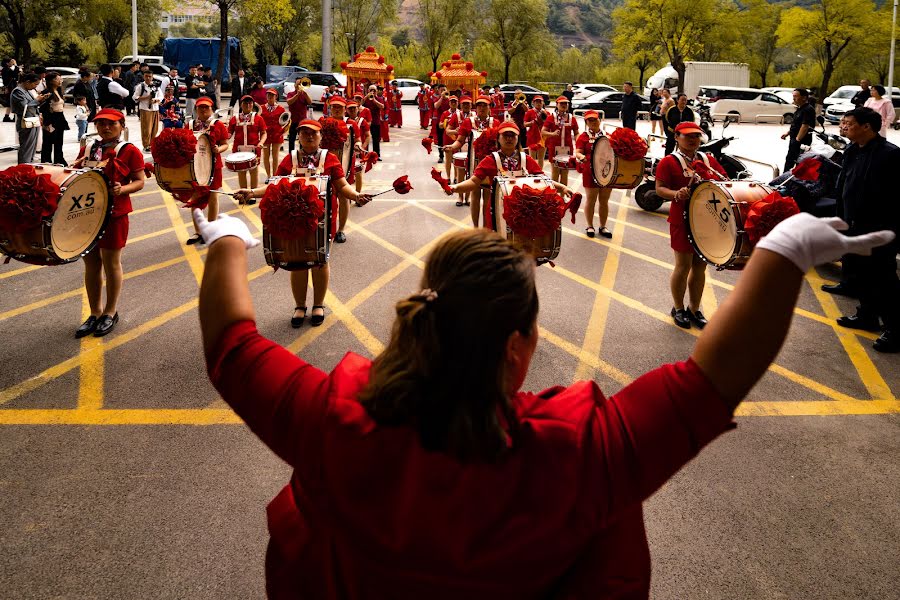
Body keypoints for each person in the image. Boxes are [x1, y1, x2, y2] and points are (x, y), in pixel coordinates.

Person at [194, 176, 894, 597]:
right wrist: (781, 254)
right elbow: (714, 378)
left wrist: (228, 236)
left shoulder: (333, 423)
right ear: (516, 346)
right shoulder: (579, 456)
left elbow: (232, 347)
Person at [232, 119, 372, 327]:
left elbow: (342, 186)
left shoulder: (330, 158)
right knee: (297, 262)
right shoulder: (290, 159)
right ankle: (299, 306)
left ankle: (318, 304)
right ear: (298, 136)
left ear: (320, 136)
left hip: (322, 221)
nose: (309, 136)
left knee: (320, 261)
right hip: (294, 220)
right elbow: (274, 187)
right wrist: (251, 192)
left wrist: (356, 195)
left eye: (313, 133)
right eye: (304, 133)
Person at [71, 109, 146, 338]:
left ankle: (110, 312)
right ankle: (94, 313)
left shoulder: (130, 150)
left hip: (114, 214)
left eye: (111, 124)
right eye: (101, 124)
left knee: (111, 263)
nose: (105, 128)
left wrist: (122, 189)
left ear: (122, 125)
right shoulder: (89, 147)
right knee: (91, 265)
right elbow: (77, 171)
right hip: (87, 214)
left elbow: (140, 181)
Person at [832, 107, 900, 352]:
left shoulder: (890, 155)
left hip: (880, 231)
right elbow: (844, 186)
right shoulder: (852, 150)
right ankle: (867, 316)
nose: (844, 126)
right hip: (853, 225)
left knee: (884, 280)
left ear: (867, 127)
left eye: (849, 123)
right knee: (861, 275)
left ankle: (896, 331)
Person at [655, 121, 728, 329]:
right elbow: (660, 189)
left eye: (696, 136)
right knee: (683, 265)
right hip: (682, 220)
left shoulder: (707, 159)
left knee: (700, 267)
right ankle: (678, 307)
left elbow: (724, 181)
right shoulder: (668, 162)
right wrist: (675, 194)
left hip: (707, 220)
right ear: (676, 137)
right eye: (687, 136)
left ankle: (694, 309)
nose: (692, 140)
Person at [448, 121, 576, 229]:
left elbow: (543, 180)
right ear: (498, 138)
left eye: (512, 136)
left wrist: (563, 188)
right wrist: (455, 188)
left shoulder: (526, 160)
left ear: (517, 139)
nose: (509, 138)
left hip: (521, 214)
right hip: (496, 212)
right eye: (505, 135)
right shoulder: (490, 160)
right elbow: (474, 181)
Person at [185, 97, 230, 245]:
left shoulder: (218, 125)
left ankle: (210, 229)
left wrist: (218, 149)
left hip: (213, 167)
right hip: (194, 169)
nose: (203, 110)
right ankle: (198, 231)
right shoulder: (190, 124)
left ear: (211, 109)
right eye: (200, 107)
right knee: (196, 198)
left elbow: (225, 144)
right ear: (196, 109)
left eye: (206, 107)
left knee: (213, 197)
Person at [322, 96, 364, 243]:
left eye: (339, 106)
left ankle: (341, 229)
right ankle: (326, 227)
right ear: (329, 107)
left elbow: (357, 139)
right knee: (324, 196)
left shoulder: (351, 124)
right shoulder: (323, 122)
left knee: (343, 195)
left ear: (344, 108)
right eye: (334, 106)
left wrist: (358, 145)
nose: (336, 109)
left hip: (344, 165)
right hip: (325, 164)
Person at [446, 96, 494, 216]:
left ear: (489, 108)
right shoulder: (469, 122)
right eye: (479, 105)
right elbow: (460, 140)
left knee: (488, 198)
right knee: (475, 195)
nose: (482, 108)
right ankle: (476, 227)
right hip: (474, 163)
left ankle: (485, 227)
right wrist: (452, 147)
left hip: (490, 164)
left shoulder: (495, 122)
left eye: (485, 105)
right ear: (476, 107)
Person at [575, 110, 613, 239]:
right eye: (590, 120)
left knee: (604, 200)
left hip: (606, 172)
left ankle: (603, 226)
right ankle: (590, 225)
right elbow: (578, 151)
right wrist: (581, 157)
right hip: (590, 171)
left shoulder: (607, 136)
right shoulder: (583, 137)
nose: (593, 122)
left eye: (595, 119)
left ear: (599, 120)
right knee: (591, 200)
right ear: (586, 122)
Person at [228, 95, 267, 192]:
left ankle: (252, 194)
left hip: (254, 149)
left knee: (254, 172)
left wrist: (261, 142)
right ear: (241, 105)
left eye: (250, 103)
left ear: (253, 104)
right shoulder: (234, 119)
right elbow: (228, 134)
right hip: (239, 150)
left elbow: (264, 133)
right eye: (245, 103)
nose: (248, 105)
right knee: (241, 172)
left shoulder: (258, 118)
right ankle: (243, 194)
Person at [542, 96, 579, 186]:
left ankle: (562, 196)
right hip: (554, 149)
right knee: (555, 174)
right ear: (557, 105)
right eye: (561, 103)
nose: (564, 105)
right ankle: (554, 196)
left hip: (567, 149)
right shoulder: (551, 117)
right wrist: (552, 134)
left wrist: (578, 143)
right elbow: (543, 132)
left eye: (565, 103)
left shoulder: (571, 118)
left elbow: (577, 132)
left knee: (565, 174)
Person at [10, 72, 44, 164]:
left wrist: (41, 100)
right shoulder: (18, 91)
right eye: (35, 84)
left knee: (31, 147)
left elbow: (32, 104)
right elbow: (24, 106)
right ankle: (23, 167)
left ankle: (28, 165)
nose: (35, 87)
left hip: (32, 120)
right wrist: (37, 100)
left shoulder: (27, 90)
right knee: (26, 147)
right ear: (28, 82)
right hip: (25, 122)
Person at [780, 87, 816, 171]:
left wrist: (798, 139)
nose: (793, 98)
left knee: (798, 161)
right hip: (794, 139)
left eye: (796, 96)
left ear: (804, 97)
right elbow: (796, 124)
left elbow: (805, 126)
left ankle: (791, 180)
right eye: (793, 96)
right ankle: (784, 179)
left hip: (802, 141)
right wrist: (788, 133)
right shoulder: (800, 109)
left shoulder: (808, 109)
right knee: (790, 160)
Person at [39, 71, 68, 166]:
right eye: (57, 79)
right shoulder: (46, 93)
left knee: (59, 141)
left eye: (60, 79)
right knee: (48, 141)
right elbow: (44, 109)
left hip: (60, 117)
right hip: (51, 118)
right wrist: (47, 123)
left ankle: (59, 159)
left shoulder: (58, 91)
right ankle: (46, 160)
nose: (60, 81)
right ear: (51, 81)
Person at [260, 88, 287, 178]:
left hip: (277, 135)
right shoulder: (261, 108)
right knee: (266, 156)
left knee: (275, 156)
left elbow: (285, 122)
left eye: (272, 95)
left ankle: (275, 175)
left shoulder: (281, 109)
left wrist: (282, 132)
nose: (270, 97)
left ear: (276, 97)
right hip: (265, 135)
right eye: (268, 95)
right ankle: (268, 175)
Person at [132, 70, 162, 152]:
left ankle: (152, 144)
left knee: (154, 128)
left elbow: (161, 96)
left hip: (155, 108)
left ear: (152, 77)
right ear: (143, 76)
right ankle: (146, 145)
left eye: (150, 76)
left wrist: (156, 100)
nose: (148, 78)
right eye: (146, 76)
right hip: (145, 108)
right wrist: (146, 98)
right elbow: (135, 97)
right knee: (146, 128)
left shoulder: (156, 86)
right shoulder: (141, 86)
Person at [346, 101, 370, 195]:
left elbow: (368, 135)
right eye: (350, 108)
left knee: (358, 173)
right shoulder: (344, 121)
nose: (352, 110)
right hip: (346, 152)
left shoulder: (362, 121)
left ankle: (358, 195)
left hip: (358, 151)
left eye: (354, 108)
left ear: (358, 109)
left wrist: (362, 147)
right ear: (346, 110)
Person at [286, 77, 311, 153]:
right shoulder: (290, 94)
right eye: (297, 84)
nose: (299, 86)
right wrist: (297, 95)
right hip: (293, 120)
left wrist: (305, 94)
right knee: (291, 139)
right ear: (294, 85)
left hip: (302, 120)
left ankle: (302, 154)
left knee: (302, 139)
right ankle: (291, 154)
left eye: (300, 84)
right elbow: (289, 102)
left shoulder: (304, 94)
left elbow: (310, 102)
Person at [523, 95, 548, 168]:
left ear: (543, 103)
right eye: (536, 102)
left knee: (541, 158)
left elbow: (549, 124)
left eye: (540, 102)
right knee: (532, 158)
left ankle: (540, 172)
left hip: (542, 137)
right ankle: (531, 172)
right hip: (532, 136)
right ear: (533, 103)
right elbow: (525, 124)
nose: (538, 103)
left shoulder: (546, 112)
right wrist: (533, 122)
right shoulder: (530, 112)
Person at [363, 84, 384, 158]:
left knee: (376, 139)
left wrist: (374, 100)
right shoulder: (366, 98)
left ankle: (377, 155)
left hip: (376, 122)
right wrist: (366, 97)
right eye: (371, 90)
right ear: (368, 91)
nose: (372, 92)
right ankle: (365, 154)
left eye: (374, 90)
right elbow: (360, 104)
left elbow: (382, 106)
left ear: (376, 91)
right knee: (366, 139)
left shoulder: (379, 98)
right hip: (367, 122)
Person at [2, 57, 20, 122]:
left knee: (10, 102)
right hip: (11, 87)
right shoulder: (6, 70)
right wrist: (15, 65)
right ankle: (13, 117)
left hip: (10, 87)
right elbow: (15, 75)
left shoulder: (5, 69)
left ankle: (7, 116)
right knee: (13, 102)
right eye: (11, 62)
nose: (12, 63)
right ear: (7, 63)